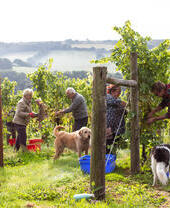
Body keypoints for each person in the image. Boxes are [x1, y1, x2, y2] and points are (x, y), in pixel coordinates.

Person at [106, 84, 127, 154]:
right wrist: (122, 102)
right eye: (119, 91)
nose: (120, 93)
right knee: (107, 146)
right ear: (112, 91)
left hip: (116, 128)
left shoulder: (116, 99)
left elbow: (124, 111)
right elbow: (113, 101)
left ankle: (111, 163)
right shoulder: (108, 97)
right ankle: (105, 163)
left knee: (113, 147)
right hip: (108, 127)